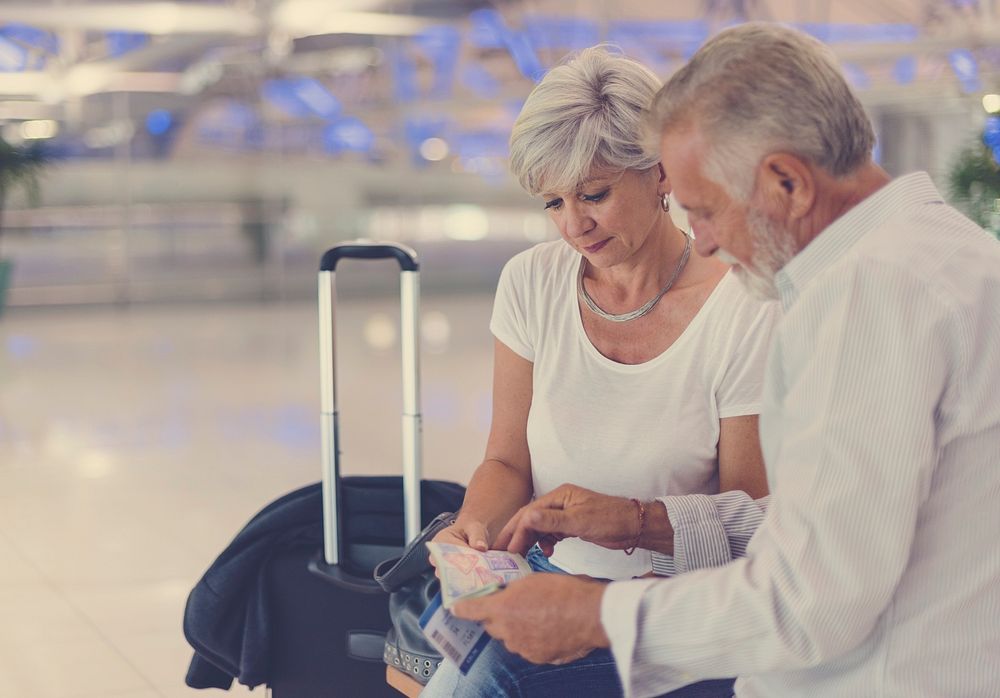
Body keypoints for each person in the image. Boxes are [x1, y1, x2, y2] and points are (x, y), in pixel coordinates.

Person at [452, 21, 1000, 698]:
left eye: (705, 210)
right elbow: (823, 519)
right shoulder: (949, 253)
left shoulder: (865, 298)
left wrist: (600, 617)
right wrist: (638, 521)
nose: (704, 244)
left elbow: (808, 599)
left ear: (786, 184)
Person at [421, 45, 778, 697]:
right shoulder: (531, 283)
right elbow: (506, 462)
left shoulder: (743, 307)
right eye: (552, 203)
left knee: (480, 687)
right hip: (541, 581)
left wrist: (627, 577)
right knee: (429, 671)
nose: (573, 226)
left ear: (661, 172)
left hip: (669, 608)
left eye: (594, 194)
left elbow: (750, 517)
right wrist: (475, 528)